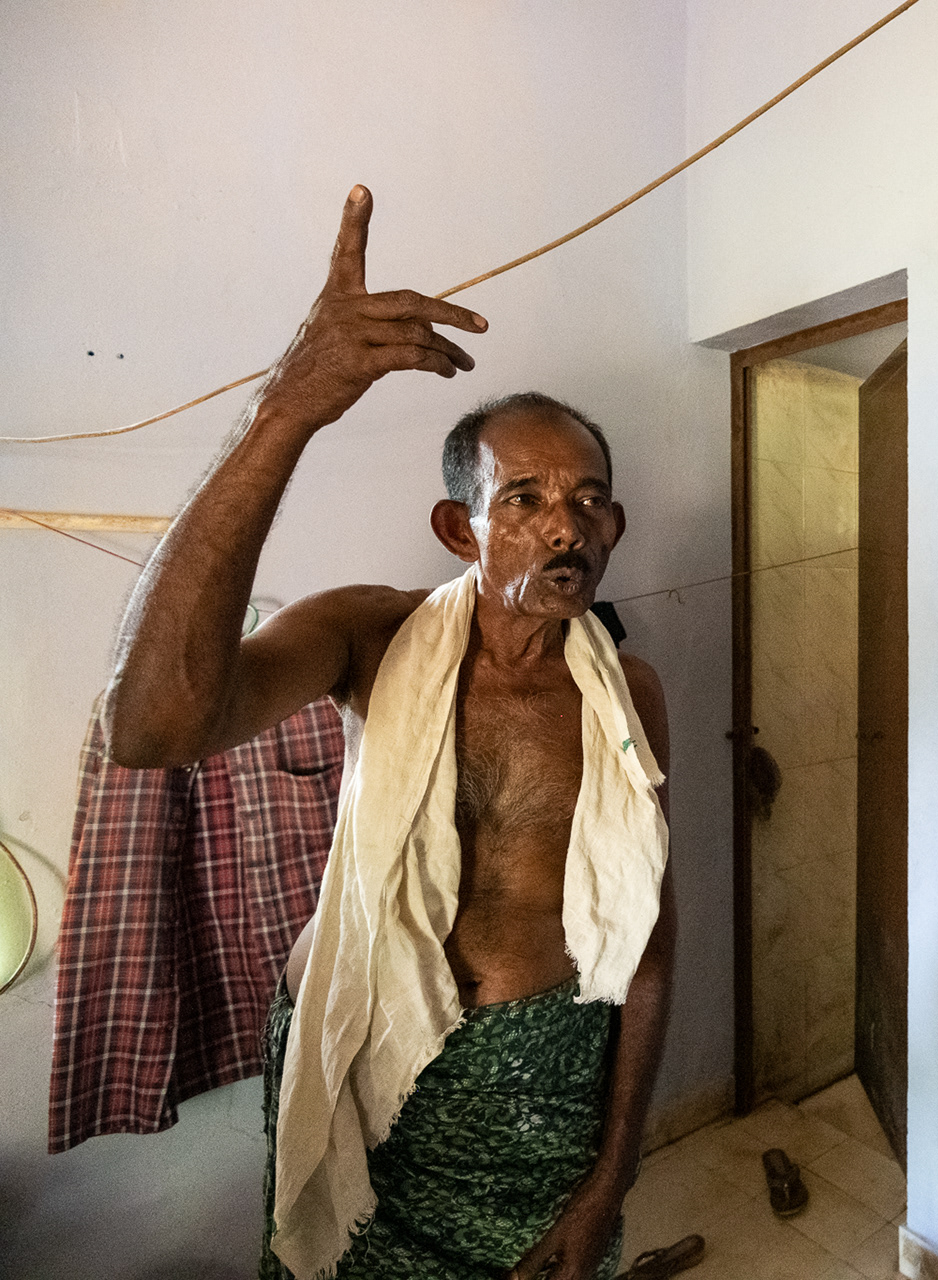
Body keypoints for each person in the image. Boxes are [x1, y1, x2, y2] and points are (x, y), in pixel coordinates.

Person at [103, 187, 673, 1280]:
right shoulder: (375, 637)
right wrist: (289, 409)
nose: (564, 521)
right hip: (370, 1073)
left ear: (613, 528)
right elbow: (152, 727)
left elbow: (649, 933)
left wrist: (612, 1176)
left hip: (548, 1088)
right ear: (459, 527)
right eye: (524, 498)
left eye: (587, 499)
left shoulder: (630, 692)